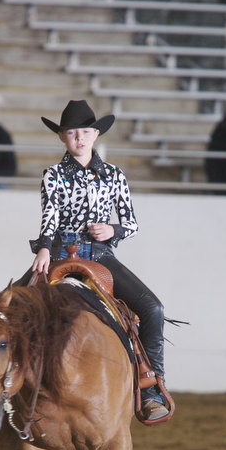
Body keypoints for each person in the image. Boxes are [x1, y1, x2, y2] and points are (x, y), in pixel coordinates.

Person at [26, 99, 171, 420]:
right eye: (71, 132)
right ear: (62, 137)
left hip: (101, 255)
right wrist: (44, 247)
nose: (79, 138)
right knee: (12, 306)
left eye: (85, 132)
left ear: (96, 135)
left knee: (153, 309)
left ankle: (151, 387)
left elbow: (131, 223)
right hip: (59, 251)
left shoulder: (115, 176)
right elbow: (50, 215)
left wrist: (113, 229)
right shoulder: (53, 175)